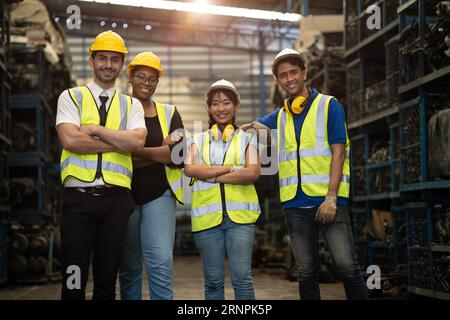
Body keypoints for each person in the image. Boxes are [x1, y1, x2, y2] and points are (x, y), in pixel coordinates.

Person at [241, 48, 368, 300]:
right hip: (295, 205)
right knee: (306, 272)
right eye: (282, 75)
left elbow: (339, 153)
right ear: (278, 81)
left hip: (327, 201)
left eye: (293, 73)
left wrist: (331, 198)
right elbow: (249, 128)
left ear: (304, 73)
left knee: (346, 267)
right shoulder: (280, 116)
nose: (289, 79)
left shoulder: (329, 106)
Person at [56, 30, 147, 300]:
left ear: (122, 64)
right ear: (91, 60)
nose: (108, 65)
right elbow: (70, 139)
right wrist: (120, 142)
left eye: (114, 60)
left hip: (116, 201)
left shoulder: (132, 105)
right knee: (73, 279)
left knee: (107, 281)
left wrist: (95, 129)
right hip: (78, 199)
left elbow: (137, 143)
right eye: (102, 58)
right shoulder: (71, 97)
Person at [184, 79, 261, 300]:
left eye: (226, 102)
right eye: (215, 103)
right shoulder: (197, 140)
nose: (221, 108)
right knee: (213, 282)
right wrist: (230, 168)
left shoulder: (247, 139)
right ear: (209, 108)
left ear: (236, 105)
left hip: (241, 220)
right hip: (207, 221)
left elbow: (252, 172)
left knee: (242, 279)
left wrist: (211, 175)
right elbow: (190, 169)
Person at [119, 51, 185, 300]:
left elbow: (176, 157)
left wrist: (133, 151)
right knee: (129, 267)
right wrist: (159, 151)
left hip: (160, 195)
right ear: (130, 77)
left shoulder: (169, 113)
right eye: (141, 77)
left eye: (151, 79)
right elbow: (113, 153)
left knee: (160, 263)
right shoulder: (117, 109)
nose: (146, 83)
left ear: (157, 82)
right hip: (124, 196)